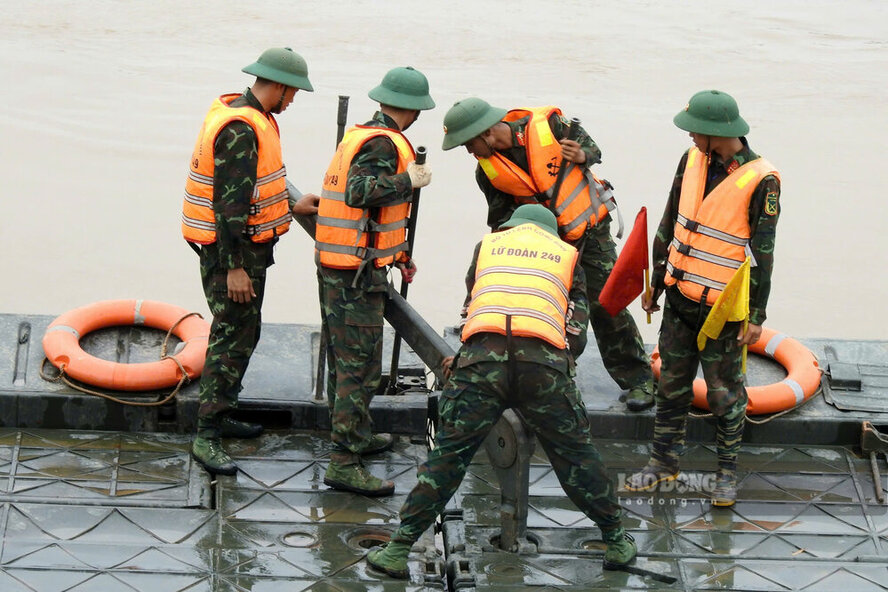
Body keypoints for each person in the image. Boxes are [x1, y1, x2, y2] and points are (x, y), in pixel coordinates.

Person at [366, 204, 637, 579]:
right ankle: (617, 539)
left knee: (449, 455)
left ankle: (398, 548)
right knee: (575, 454)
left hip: (482, 364)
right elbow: (576, 331)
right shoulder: (568, 256)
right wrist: (558, 364)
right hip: (543, 368)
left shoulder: (488, 246)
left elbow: (473, 308)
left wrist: (465, 357)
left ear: (512, 226)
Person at [440, 98, 655, 412]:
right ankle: (554, 375)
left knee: (606, 303)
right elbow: (502, 222)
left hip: (590, 232)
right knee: (541, 307)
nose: (469, 152)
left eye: (469, 144)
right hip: (546, 244)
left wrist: (582, 155)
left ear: (486, 133)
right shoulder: (487, 173)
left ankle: (639, 379)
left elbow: (594, 150)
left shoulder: (550, 127)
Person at [626, 90, 781, 507]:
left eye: (696, 130)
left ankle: (726, 474)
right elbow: (670, 218)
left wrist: (757, 315)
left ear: (717, 132)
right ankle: (663, 463)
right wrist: (656, 281)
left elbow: (763, 254)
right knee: (672, 386)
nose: (691, 136)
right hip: (680, 297)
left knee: (724, 394)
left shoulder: (762, 180)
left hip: (724, 311)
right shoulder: (691, 160)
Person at [182, 47, 320, 474]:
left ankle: (223, 414)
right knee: (230, 337)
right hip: (233, 252)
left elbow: (255, 188)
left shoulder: (246, 115)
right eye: (293, 92)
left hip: (244, 246)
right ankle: (207, 435)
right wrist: (233, 266)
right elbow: (230, 204)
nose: (293, 101)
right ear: (276, 86)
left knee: (244, 331)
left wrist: (291, 208)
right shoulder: (242, 127)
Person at [315, 66, 434, 496]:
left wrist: (398, 254)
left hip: (345, 264)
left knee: (348, 361)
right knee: (358, 369)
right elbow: (359, 192)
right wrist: (410, 179)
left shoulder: (361, 135)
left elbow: (365, 217)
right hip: (355, 275)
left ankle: (356, 436)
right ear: (414, 110)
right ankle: (344, 462)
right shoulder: (384, 142)